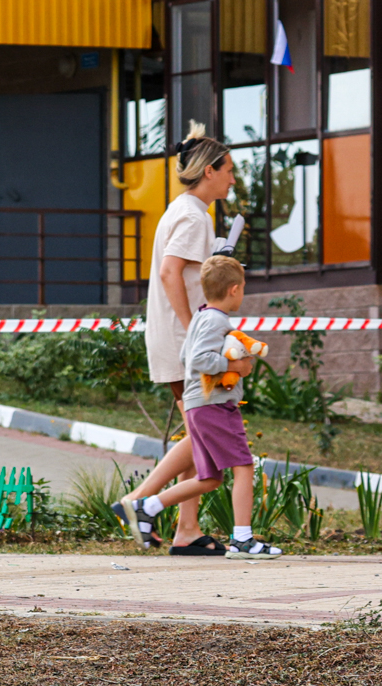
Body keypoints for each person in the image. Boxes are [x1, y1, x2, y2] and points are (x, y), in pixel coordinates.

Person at [112, 122, 238, 555]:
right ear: (209, 172)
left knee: (198, 430)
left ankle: (186, 529)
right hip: (182, 339)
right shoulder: (191, 215)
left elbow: (182, 272)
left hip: (177, 336)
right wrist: (194, 330)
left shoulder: (186, 212)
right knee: (203, 431)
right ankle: (136, 502)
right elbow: (170, 272)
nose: (233, 178)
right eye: (228, 170)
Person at [122, 257, 282, 560]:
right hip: (215, 404)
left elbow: (185, 354)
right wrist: (232, 365)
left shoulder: (201, 316)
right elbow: (196, 359)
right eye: (244, 287)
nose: (243, 293)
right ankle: (243, 540)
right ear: (234, 289)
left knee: (210, 479)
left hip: (199, 405)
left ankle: (148, 507)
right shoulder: (217, 320)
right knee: (244, 466)